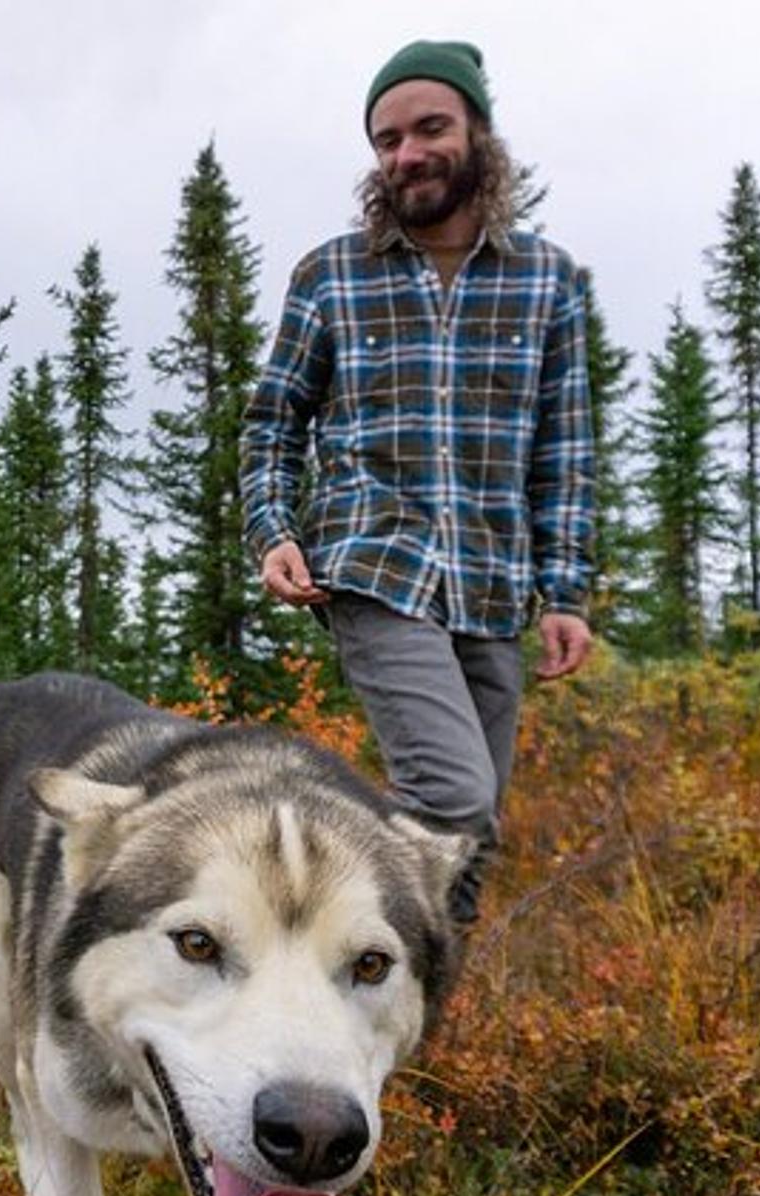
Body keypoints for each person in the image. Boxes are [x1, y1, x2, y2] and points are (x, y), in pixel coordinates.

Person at [240, 40, 595, 924]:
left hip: (493, 581)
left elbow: (565, 450)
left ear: (478, 130)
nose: (407, 154)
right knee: (453, 794)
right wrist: (273, 530)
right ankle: (310, 937)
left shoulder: (546, 281)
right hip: (376, 567)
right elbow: (273, 418)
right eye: (386, 139)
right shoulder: (332, 275)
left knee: (469, 845)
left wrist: (566, 591)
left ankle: (411, 1029)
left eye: (429, 127)